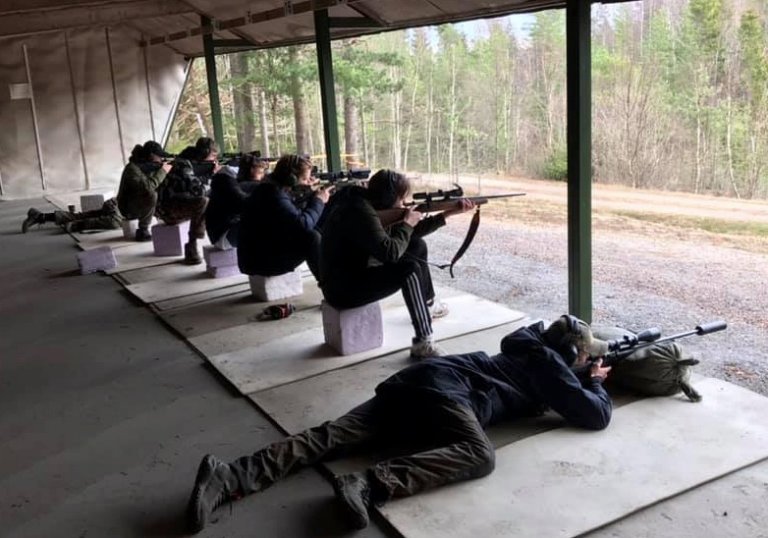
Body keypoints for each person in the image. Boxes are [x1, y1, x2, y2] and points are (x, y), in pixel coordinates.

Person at [185, 315, 613, 533]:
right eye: (584, 353)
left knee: (330, 436)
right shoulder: (553, 371)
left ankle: (230, 474)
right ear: (572, 354)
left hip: (417, 384)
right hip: (446, 395)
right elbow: (595, 416)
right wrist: (596, 384)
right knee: (479, 455)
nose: (587, 357)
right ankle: (370, 484)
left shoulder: (529, 345)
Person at [319, 169, 473, 359]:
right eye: (401, 198)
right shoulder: (360, 212)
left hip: (347, 274)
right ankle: (424, 342)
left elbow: (406, 237)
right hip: (343, 290)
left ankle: (427, 305)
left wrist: (446, 214)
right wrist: (407, 223)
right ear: (389, 198)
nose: (403, 203)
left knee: (416, 245)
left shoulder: (357, 202)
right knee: (409, 270)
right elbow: (390, 253)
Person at [237, 154, 330, 279]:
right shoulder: (274, 195)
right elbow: (302, 224)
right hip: (260, 262)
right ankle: (330, 285)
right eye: (305, 179)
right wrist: (318, 200)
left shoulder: (269, 188)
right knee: (312, 237)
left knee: (316, 225)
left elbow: (290, 212)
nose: (308, 182)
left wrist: (308, 192)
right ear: (291, 179)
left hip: (258, 254)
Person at [155, 138, 219, 265]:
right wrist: (212, 175)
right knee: (203, 201)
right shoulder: (183, 165)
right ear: (204, 153)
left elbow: (195, 184)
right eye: (212, 156)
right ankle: (191, 246)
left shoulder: (186, 162)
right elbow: (199, 190)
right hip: (167, 211)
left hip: (175, 205)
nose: (213, 160)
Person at [205, 154, 267, 250]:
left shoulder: (229, 182)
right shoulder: (233, 185)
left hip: (221, 233)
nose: (263, 175)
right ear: (252, 170)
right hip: (222, 236)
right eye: (261, 172)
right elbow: (244, 205)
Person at [116, 141, 173, 241]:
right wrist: (163, 171)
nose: (161, 160)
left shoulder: (147, 167)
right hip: (127, 208)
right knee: (151, 194)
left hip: (137, 202)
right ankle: (143, 231)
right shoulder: (132, 169)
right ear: (151, 156)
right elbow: (148, 187)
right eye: (159, 157)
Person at [21, 198, 122, 234]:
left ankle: (40, 216)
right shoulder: (134, 170)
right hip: (118, 207)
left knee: (82, 216)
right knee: (115, 222)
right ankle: (77, 226)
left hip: (119, 208)